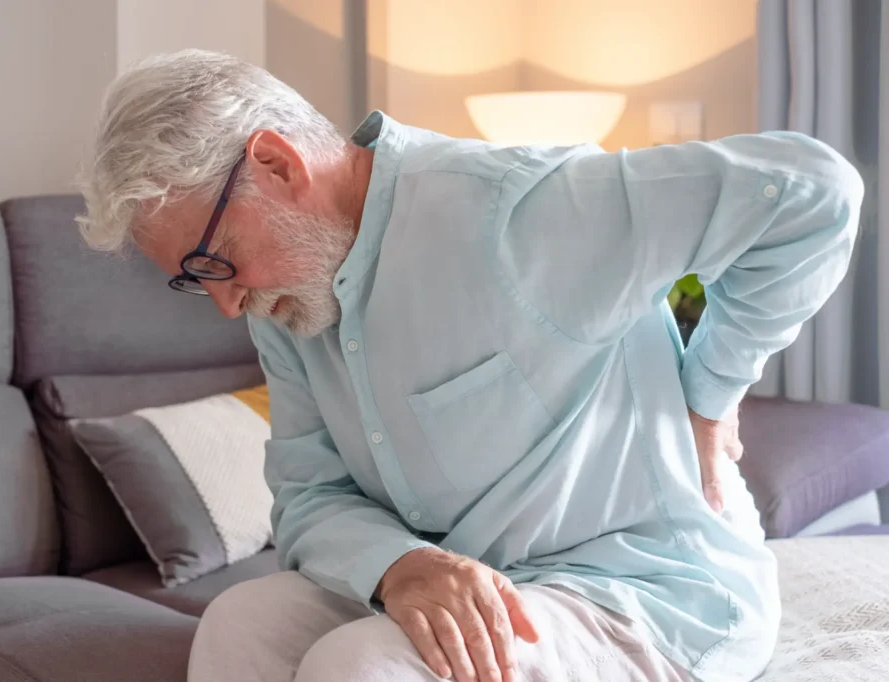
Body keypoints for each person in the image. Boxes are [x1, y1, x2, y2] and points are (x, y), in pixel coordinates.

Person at [76, 50, 863, 682]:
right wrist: (403, 565)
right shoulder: (289, 304)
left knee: (364, 666)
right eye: (193, 279)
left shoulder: (520, 211)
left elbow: (811, 192)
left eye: (216, 262)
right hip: (470, 583)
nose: (223, 305)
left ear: (278, 164)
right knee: (242, 621)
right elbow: (311, 497)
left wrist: (711, 394)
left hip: (645, 592)